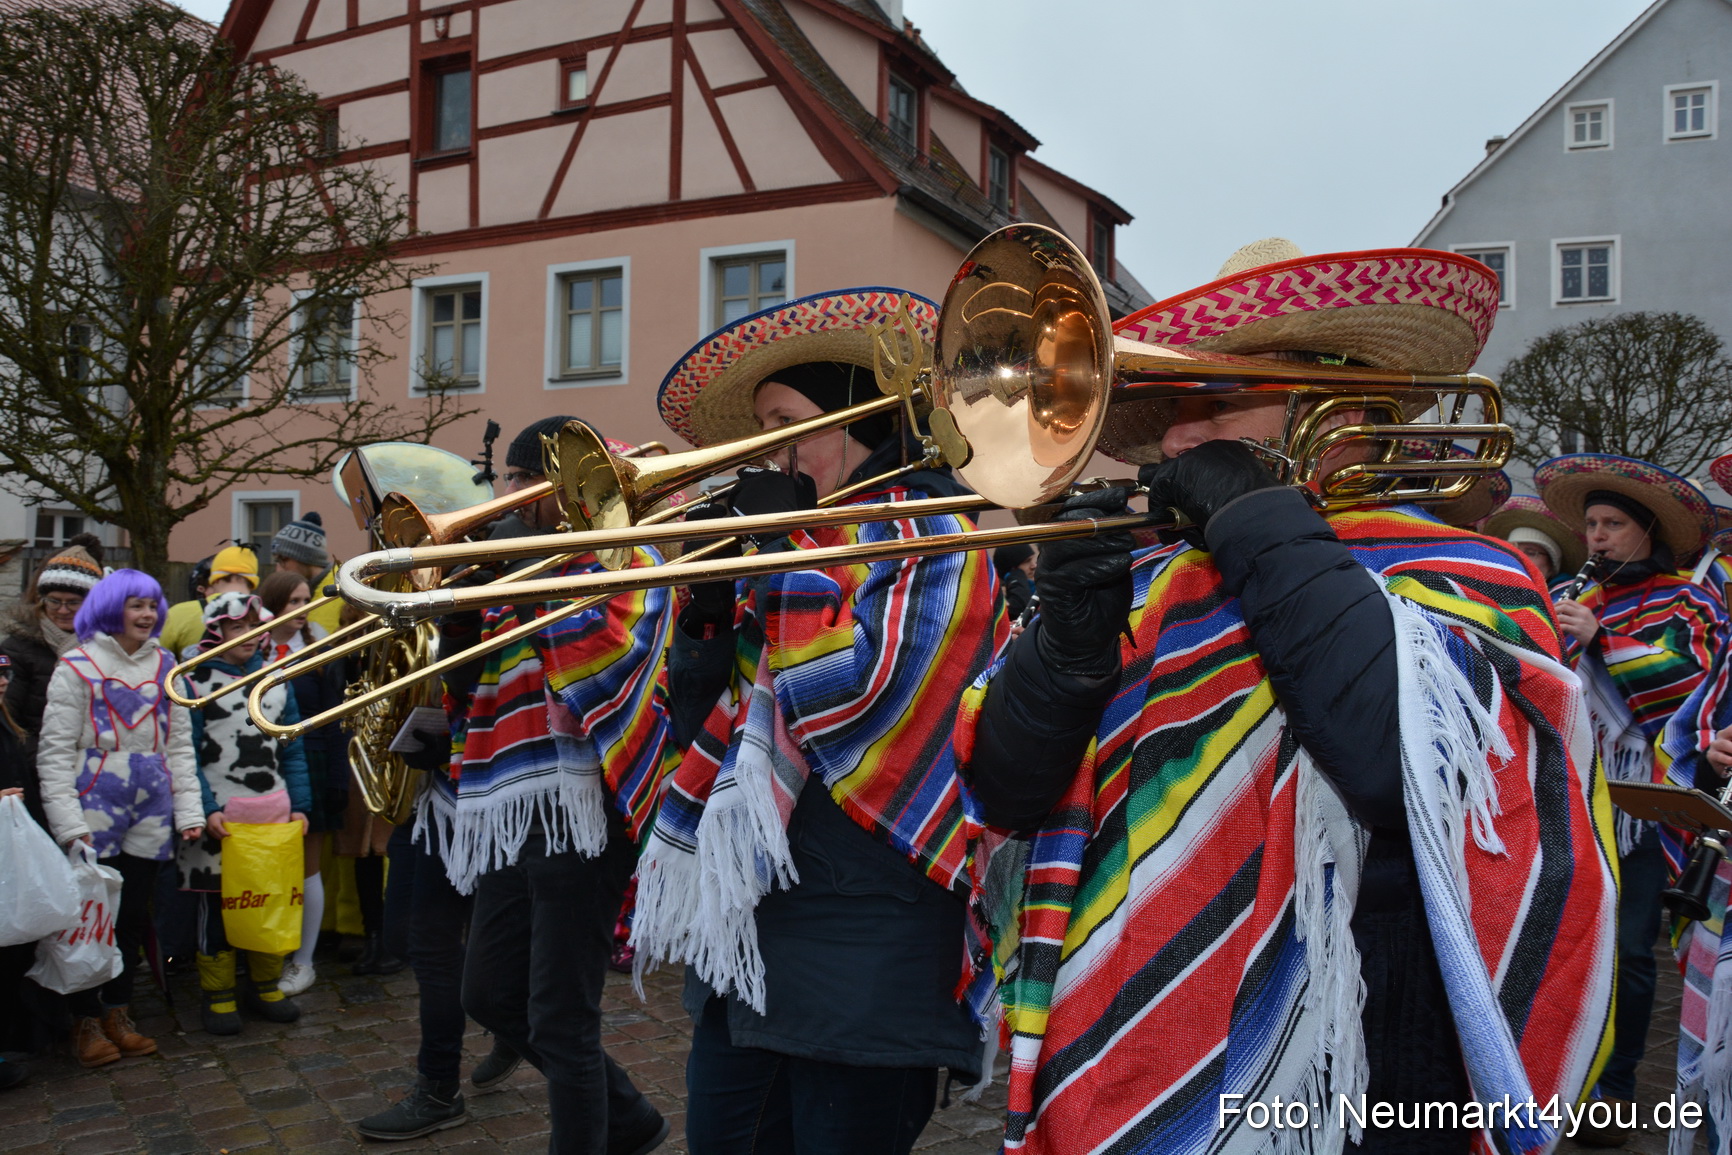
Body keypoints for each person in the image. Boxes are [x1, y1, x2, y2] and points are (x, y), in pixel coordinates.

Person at [961, 240, 1617, 1155]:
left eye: (1222, 401)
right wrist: (1063, 654)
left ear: (1335, 403)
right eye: (1178, 411)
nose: (1184, 438)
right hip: (1135, 1033)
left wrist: (1254, 520)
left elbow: (1396, 768)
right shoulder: (1156, 583)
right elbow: (1005, 795)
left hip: (1377, 1038)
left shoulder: (1467, 568)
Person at [635, 289, 1006, 1155]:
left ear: (860, 426)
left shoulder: (933, 530)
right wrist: (706, 612)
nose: (776, 451)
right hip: (753, 938)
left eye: (791, 423)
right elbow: (700, 726)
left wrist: (777, 560)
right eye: (764, 427)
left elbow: (858, 701)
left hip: (869, 943)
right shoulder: (803, 544)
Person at [365, 416, 674, 1154]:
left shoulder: (625, 557)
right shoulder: (514, 573)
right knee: (489, 993)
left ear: (555, 484)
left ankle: (600, 1132)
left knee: (561, 1018)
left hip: (583, 807)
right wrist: (463, 614)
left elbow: (605, 665)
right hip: (509, 799)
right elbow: (475, 692)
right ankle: (629, 1119)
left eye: (512, 478)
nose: (499, 494)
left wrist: (521, 585)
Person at [1533, 451, 1726, 1144]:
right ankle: (1559, 1071)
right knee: (1560, 937)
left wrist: (1605, 641)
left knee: (1629, 949)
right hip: (1571, 794)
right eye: (1591, 523)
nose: (1599, 536)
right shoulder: (1568, 591)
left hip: (1646, 805)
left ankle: (1616, 1088)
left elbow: (1694, 693)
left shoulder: (1691, 598)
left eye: (1614, 522)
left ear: (1649, 530)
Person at [35, 569, 206, 1066]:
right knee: (90, 918)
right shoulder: (77, 664)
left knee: (131, 916)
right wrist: (69, 824)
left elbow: (177, 745)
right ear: (112, 609)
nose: (148, 615)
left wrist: (188, 811)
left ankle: (118, 1011)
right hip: (93, 803)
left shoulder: (166, 665)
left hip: (150, 807)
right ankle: (84, 1020)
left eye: (152, 605)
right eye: (136, 605)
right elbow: (54, 751)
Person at [178, 591, 310, 1036]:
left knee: (268, 900)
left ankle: (265, 984)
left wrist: (301, 804)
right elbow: (187, 755)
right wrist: (205, 808)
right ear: (217, 631)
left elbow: (292, 747)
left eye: (255, 626)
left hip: (272, 814)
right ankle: (217, 994)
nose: (249, 636)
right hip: (221, 819)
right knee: (217, 909)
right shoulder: (193, 682)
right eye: (237, 627)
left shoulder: (275, 679)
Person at [257, 570, 344, 995]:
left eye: (305, 600)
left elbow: (332, 718)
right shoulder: (251, 645)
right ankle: (263, 952)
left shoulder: (317, 647)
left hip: (310, 761)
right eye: (292, 601)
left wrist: (334, 777)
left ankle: (304, 960)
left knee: (308, 868)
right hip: (260, 767)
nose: (301, 609)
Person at [161, 544, 258, 658]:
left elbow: (157, 660)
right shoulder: (263, 613)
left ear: (214, 580)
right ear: (253, 582)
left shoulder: (177, 613)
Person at [1481, 493, 1586, 588]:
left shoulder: (1568, 596)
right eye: (1512, 550)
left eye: (1530, 552)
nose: (1519, 558)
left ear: (1551, 567)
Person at [271, 511, 344, 637]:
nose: (279, 569)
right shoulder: (311, 588)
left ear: (305, 558)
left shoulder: (340, 590)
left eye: (283, 559)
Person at [992, 543, 1037, 622]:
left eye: (1033, 560)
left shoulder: (1035, 587)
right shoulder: (997, 593)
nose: (1033, 566)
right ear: (1013, 568)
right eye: (1027, 561)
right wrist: (1016, 576)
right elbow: (1020, 607)